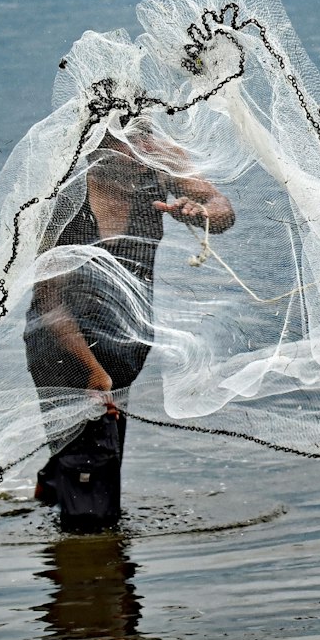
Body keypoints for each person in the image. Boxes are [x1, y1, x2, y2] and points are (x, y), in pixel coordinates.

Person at [24, 120, 235, 531]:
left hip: (124, 344)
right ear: (95, 142)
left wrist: (202, 212)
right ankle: (90, 572)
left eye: (146, 136)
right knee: (93, 509)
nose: (143, 147)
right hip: (65, 350)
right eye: (129, 140)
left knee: (98, 452)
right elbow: (50, 306)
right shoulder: (65, 206)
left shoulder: (153, 171)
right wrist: (94, 375)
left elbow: (223, 211)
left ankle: (54, 484)